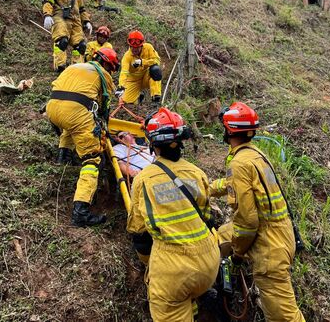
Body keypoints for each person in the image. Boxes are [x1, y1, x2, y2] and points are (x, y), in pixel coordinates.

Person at [214, 102, 305, 322]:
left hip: (268, 249)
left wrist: (237, 254)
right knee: (216, 238)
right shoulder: (255, 155)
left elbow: (247, 222)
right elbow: (234, 184)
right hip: (281, 234)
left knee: (284, 317)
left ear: (228, 130)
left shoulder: (239, 164)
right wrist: (207, 188)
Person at [127, 107, 220, 322]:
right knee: (188, 296)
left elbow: (138, 233)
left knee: (173, 302)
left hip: (173, 271)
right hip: (209, 264)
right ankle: (195, 308)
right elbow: (207, 218)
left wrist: (149, 263)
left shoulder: (144, 179)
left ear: (152, 144)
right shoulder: (197, 173)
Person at [46, 48, 119, 227]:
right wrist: (105, 129)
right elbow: (104, 109)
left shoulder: (74, 66)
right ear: (107, 65)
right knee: (93, 160)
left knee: (72, 124)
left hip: (52, 108)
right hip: (75, 112)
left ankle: (64, 156)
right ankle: (81, 212)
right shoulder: (104, 76)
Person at [42, 0, 92, 72]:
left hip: (75, 21)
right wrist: (47, 15)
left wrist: (86, 21)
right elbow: (48, 1)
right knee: (62, 41)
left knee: (81, 45)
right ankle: (60, 67)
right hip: (60, 18)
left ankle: (76, 68)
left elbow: (82, 9)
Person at [115, 31, 162, 105]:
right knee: (126, 103)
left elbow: (157, 60)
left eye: (137, 48)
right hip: (133, 81)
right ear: (129, 46)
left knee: (155, 70)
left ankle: (155, 99)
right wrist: (121, 86)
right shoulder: (127, 57)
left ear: (142, 45)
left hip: (146, 76)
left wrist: (143, 62)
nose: (134, 50)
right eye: (132, 47)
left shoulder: (148, 48)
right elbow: (124, 72)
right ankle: (139, 97)